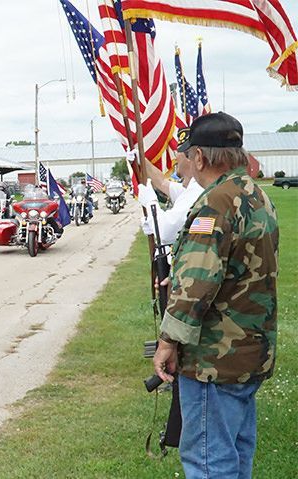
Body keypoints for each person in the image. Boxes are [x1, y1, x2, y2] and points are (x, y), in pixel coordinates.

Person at [152, 112, 278, 479]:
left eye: (187, 154)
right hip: (250, 351)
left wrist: (167, 342)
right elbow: (238, 268)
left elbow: (197, 285)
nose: (186, 162)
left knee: (209, 461)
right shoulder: (256, 195)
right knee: (236, 453)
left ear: (200, 158)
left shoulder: (216, 203)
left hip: (215, 359)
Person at [138, 128, 205, 245]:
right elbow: (162, 182)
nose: (175, 157)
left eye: (178, 153)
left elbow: (164, 233)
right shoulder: (194, 186)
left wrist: (150, 203)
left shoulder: (198, 189)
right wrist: (140, 159)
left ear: (193, 158)